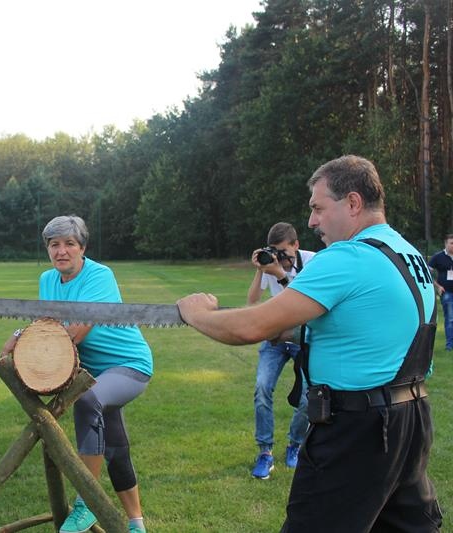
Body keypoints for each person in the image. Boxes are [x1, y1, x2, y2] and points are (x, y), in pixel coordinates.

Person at [177, 155, 441, 532]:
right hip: (410, 420)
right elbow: (367, 328)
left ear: (353, 203)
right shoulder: (406, 253)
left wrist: (196, 313)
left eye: (318, 208)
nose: (312, 221)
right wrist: (289, 331)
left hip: (357, 429)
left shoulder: (348, 256)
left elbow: (249, 327)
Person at [1, 215, 152, 533]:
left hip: (128, 366)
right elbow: (48, 325)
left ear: (82, 248)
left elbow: (75, 334)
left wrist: (29, 342)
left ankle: (87, 504)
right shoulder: (47, 280)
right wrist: (19, 336)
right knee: (115, 447)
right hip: (93, 372)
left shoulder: (100, 276)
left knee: (88, 400)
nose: (61, 251)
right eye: (54, 244)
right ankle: (136, 524)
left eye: (69, 244)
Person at [246, 222, 314, 479]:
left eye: (284, 251)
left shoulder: (313, 261)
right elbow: (252, 301)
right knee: (262, 388)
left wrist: (280, 273)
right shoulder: (271, 264)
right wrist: (261, 270)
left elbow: (302, 302)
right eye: (275, 251)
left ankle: (295, 444)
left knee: (308, 397)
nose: (281, 257)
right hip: (275, 338)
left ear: (296, 245)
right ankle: (265, 452)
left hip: (303, 338)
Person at [427, 234, 453, 351]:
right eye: (451, 243)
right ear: (446, 244)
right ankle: (450, 345)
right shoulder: (438, 257)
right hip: (447, 292)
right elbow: (426, 272)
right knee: (450, 318)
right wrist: (437, 285)